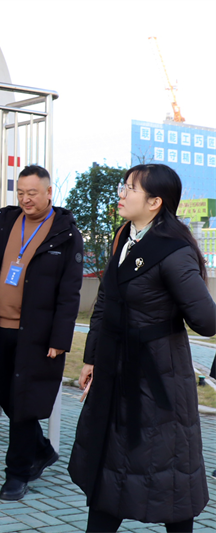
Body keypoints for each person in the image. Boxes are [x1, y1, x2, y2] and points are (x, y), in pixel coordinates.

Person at [68, 164, 216, 533]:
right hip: (115, 371)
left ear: (154, 202)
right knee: (109, 468)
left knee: (168, 475)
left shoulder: (174, 250)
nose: (121, 193)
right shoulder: (125, 236)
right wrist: (91, 358)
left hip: (158, 379)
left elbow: (206, 321)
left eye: (130, 188)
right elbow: (106, 301)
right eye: (124, 186)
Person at [0, 165, 84, 500]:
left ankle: (17, 473)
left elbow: (70, 293)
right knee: (6, 396)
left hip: (35, 336)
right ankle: (41, 449)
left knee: (22, 403)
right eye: (20, 192)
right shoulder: (8, 222)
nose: (25, 199)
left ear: (49, 193)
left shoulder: (66, 234)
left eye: (32, 193)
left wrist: (59, 339)